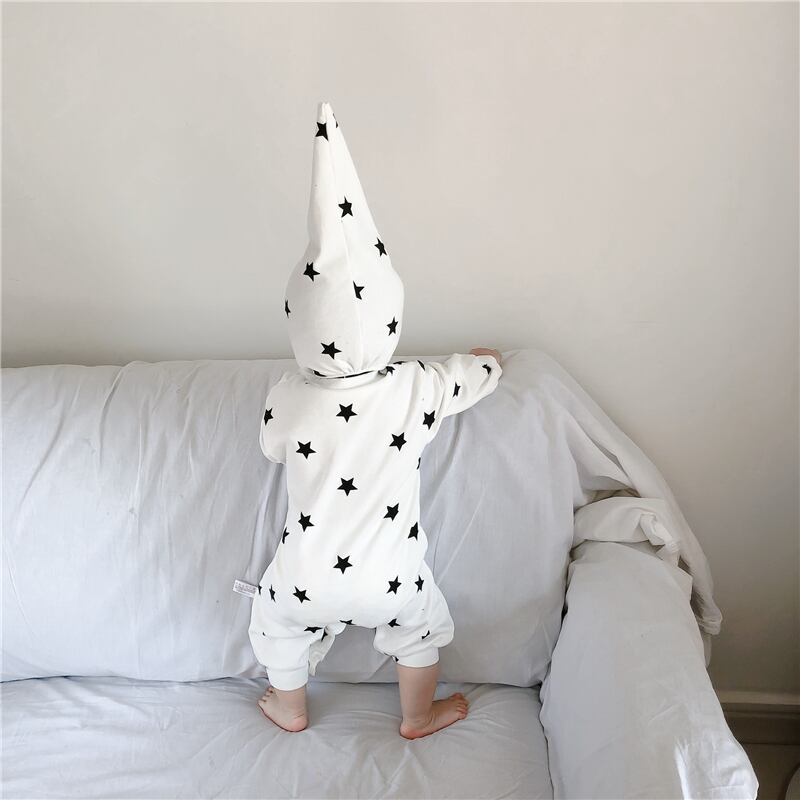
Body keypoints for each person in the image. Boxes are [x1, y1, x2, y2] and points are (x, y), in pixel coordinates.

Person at [249, 102, 503, 738]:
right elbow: (468, 377)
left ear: (298, 323)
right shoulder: (415, 386)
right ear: (392, 317)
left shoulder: (289, 396)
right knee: (420, 630)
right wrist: (488, 362)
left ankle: (291, 707)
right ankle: (417, 715)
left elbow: (271, 447)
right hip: (390, 576)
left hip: (307, 575)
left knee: (275, 624)